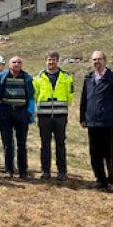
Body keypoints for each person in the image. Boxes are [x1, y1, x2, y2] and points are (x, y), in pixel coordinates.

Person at [79, 51, 113, 193]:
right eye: (94, 60)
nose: (96, 62)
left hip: (107, 120)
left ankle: (111, 181)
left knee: (108, 153)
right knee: (94, 153)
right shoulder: (88, 78)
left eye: (99, 59)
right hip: (92, 120)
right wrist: (82, 117)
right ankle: (100, 179)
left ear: (105, 61)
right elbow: (84, 100)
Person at [34, 51, 74, 181]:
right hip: (44, 116)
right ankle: (45, 170)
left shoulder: (66, 77)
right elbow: (35, 95)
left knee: (60, 144)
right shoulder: (38, 78)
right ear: (45, 61)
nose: (51, 62)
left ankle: (62, 171)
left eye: (53, 60)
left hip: (60, 116)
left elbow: (70, 95)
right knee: (45, 144)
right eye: (49, 60)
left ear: (57, 61)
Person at [0, 56, 35, 178]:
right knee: (7, 143)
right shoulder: (2, 76)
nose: (16, 64)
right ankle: (9, 170)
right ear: (9, 64)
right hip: (6, 111)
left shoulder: (27, 78)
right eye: (14, 62)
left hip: (21, 112)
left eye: (19, 62)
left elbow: (31, 96)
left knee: (22, 143)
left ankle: (23, 171)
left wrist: (30, 112)